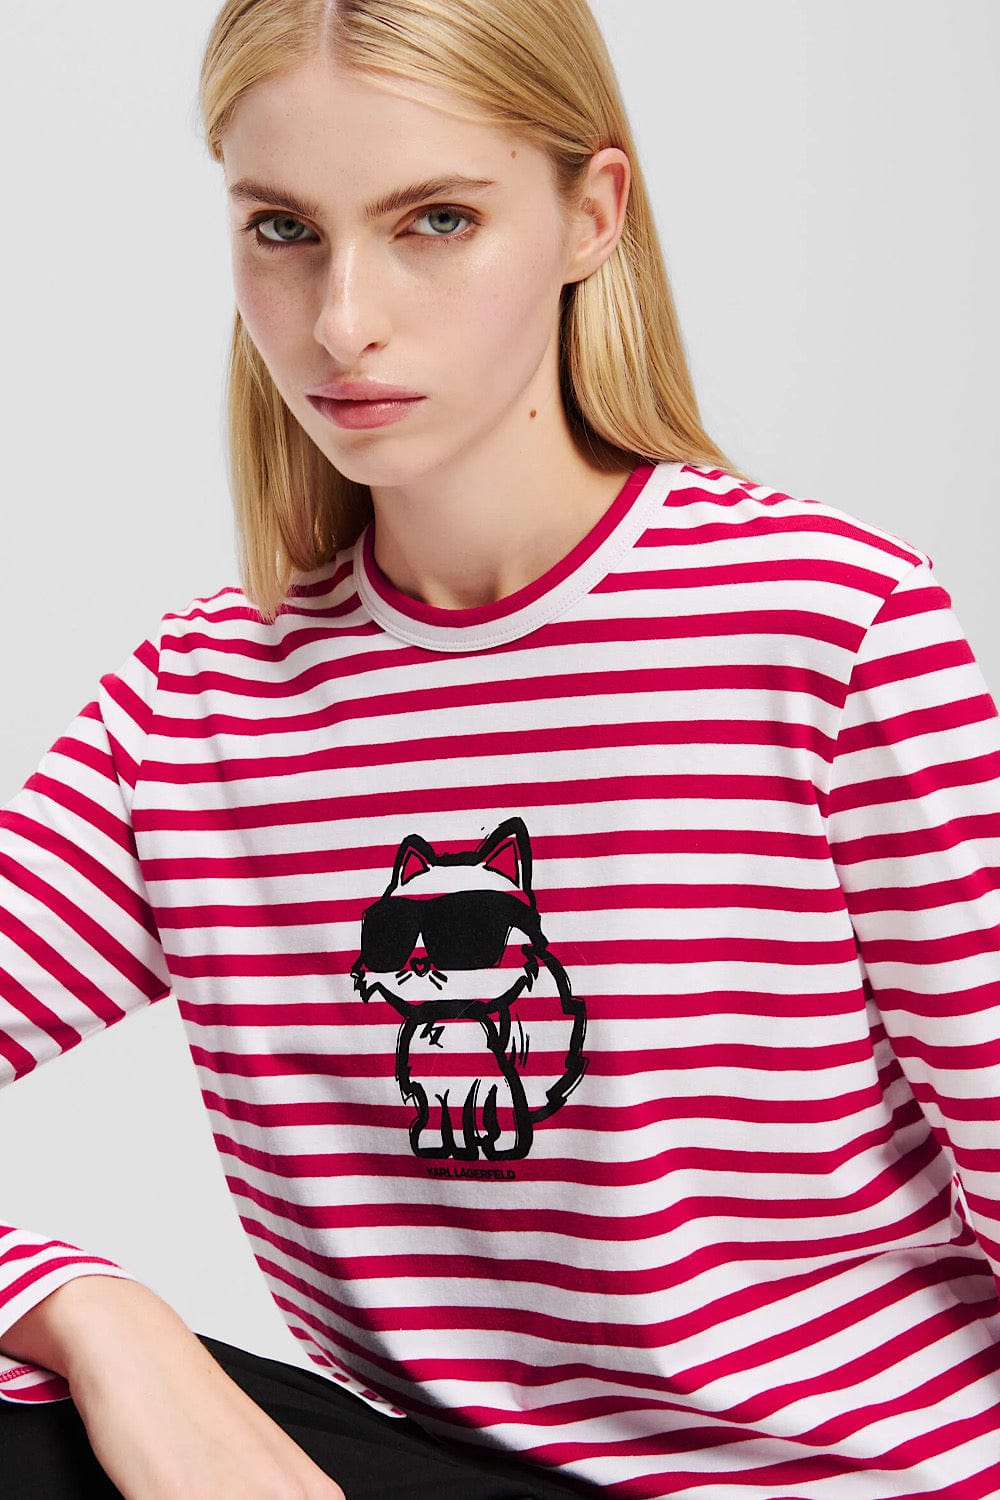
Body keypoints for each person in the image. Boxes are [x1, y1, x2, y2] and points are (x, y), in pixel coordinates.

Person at [1, 0, 999, 1495]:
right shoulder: (192, 708)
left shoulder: (826, 626)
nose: (343, 320)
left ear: (591, 216)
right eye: (284, 230)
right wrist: (93, 1314)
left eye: (437, 220)